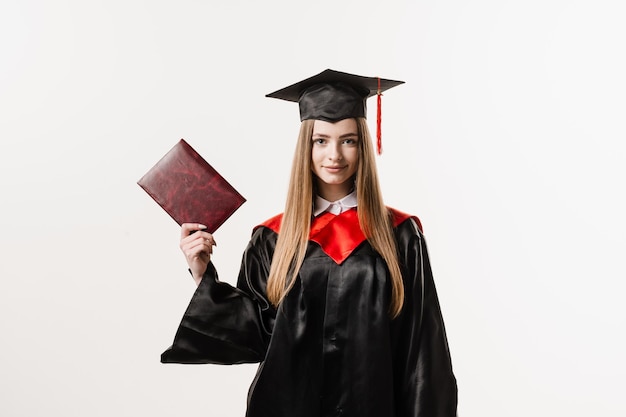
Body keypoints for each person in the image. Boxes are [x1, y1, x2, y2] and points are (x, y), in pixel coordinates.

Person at [161, 69, 458, 417]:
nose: (335, 154)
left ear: (364, 145)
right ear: (307, 146)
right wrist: (201, 274)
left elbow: (424, 351)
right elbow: (254, 334)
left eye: (348, 140)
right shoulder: (272, 238)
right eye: (321, 140)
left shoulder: (401, 235)